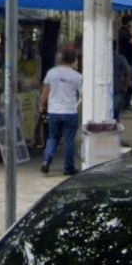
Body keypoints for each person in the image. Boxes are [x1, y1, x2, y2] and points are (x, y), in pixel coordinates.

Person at [41, 48, 83, 176]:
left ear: (61, 58)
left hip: (53, 111)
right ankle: (68, 168)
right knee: (69, 140)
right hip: (70, 112)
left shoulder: (51, 73)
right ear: (74, 60)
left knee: (52, 137)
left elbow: (45, 91)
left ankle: (46, 161)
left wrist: (41, 105)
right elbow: (83, 94)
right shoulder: (77, 76)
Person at [117, 14, 132, 110]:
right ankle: (124, 102)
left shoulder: (126, 31)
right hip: (128, 62)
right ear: (128, 22)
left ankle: (126, 102)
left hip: (130, 60)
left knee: (131, 82)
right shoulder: (124, 32)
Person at [113, 40, 132, 121]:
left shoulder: (100, 59)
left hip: (113, 92)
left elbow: (128, 72)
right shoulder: (120, 58)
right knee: (115, 116)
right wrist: (125, 87)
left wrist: (125, 87)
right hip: (116, 91)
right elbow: (129, 72)